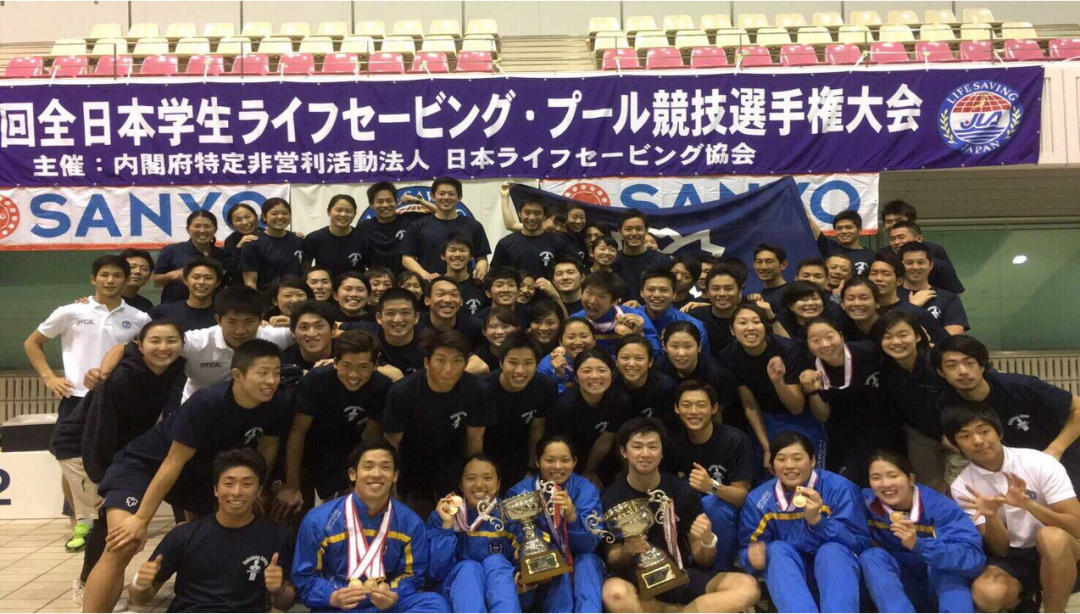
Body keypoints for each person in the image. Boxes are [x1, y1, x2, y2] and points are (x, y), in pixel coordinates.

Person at [81, 340, 291, 613]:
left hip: (195, 475)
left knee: (211, 536)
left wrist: (258, 490)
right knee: (124, 542)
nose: (271, 380)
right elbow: (172, 461)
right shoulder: (207, 402)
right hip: (144, 466)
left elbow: (268, 447)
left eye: (276, 373)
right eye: (263, 373)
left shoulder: (276, 403)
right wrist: (141, 520)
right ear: (237, 375)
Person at [49, 319, 187, 606]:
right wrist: (103, 479)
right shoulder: (123, 377)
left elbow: (172, 412)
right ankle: (88, 585)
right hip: (82, 446)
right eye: (155, 341)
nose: (163, 348)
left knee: (110, 521)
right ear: (140, 346)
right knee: (105, 522)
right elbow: (99, 429)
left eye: (171, 341)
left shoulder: (175, 368)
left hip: (120, 449)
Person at [24, 255, 151, 552]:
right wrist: (48, 377)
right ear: (93, 279)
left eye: (117, 275)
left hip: (120, 402)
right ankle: (79, 522)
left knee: (117, 459)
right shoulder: (70, 311)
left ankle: (113, 517)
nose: (110, 280)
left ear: (126, 279)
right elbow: (33, 342)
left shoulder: (139, 317)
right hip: (77, 398)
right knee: (71, 462)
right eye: (104, 275)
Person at [602, 418, 761, 614]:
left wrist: (707, 540)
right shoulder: (610, 497)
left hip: (680, 573)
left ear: (662, 453)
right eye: (637, 447)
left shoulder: (681, 491)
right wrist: (627, 550)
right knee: (614, 594)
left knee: (747, 587)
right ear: (624, 452)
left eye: (653, 447)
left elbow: (704, 560)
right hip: (635, 580)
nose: (645, 454)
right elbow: (613, 558)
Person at [945, 401, 1080, 614]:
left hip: (1063, 551)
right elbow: (1000, 549)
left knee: (1051, 537)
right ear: (956, 444)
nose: (978, 441)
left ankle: (1055, 611)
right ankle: (1025, 604)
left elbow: (1076, 527)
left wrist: (1028, 504)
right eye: (965, 436)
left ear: (998, 433)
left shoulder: (1039, 462)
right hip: (1014, 556)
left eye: (984, 431)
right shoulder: (962, 486)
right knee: (986, 594)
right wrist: (991, 516)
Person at [129, 449, 296, 612]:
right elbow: (140, 598)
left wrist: (279, 590)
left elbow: (285, 604)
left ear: (258, 490)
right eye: (229, 484)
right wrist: (141, 584)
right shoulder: (183, 535)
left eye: (247, 484)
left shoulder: (278, 536)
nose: (237, 492)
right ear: (216, 489)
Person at [292, 441, 450, 613]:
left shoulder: (410, 522)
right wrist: (333, 596)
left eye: (385, 467)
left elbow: (413, 575)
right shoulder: (319, 520)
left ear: (395, 476)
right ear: (353, 474)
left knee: (434, 604)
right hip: (339, 606)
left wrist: (394, 594)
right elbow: (305, 577)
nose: (376, 474)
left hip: (385, 605)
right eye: (368, 467)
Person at [738, 431, 870, 613]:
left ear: (813, 461)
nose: (789, 466)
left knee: (831, 551)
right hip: (793, 586)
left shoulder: (840, 488)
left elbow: (861, 544)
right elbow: (748, 550)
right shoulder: (759, 499)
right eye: (781, 459)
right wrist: (753, 558)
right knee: (775, 549)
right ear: (772, 465)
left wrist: (818, 521)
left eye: (797, 458)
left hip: (841, 581)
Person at [273, 330, 392, 520]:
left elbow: (370, 439)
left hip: (346, 449)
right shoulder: (315, 381)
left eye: (363, 367)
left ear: (375, 366)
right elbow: (297, 433)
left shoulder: (382, 386)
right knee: (291, 506)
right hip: (307, 448)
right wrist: (292, 485)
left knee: (347, 510)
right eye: (346, 365)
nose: (354, 374)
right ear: (335, 362)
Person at [935, 335, 1080, 486]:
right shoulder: (947, 402)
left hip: (1061, 452)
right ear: (941, 372)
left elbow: (1078, 407)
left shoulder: (1020, 386)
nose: (963, 371)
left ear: (982, 366)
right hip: (1011, 466)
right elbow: (951, 438)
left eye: (969, 363)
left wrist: (1054, 450)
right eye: (952, 365)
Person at [860, 450, 985, 614]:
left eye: (893, 476)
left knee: (944, 566)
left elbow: (973, 559)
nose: (885, 484)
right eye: (876, 478)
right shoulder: (865, 502)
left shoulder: (940, 507)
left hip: (940, 586)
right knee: (872, 557)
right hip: (904, 587)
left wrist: (919, 545)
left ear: (910, 479)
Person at [383, 330, 492, 516]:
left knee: (455, 521)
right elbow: (392, 443)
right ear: (427, 362)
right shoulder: (402, 392)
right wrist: (391, 484)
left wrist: (473, 479)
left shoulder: (477, 390)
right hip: (412, 464)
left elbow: (475, 440)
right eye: (441, 360)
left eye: (457, 361)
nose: (448, 369)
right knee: (416, 520)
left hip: (453, 463)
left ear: (466, 363)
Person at [506, 435, 605, 613]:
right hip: (540, 569)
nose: (558, 466)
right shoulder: (520, 492)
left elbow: (590, 544)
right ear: (537, 462)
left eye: (565, 460)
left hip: (580, 560)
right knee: (553, 564)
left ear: (574, 462)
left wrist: (572, 516)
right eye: (550, 460)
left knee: (587, 561)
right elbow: (515, 539)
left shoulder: (586, 490)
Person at [717, 303, 822, 471]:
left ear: (766, 327)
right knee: (768, 468)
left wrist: (778, 381)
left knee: (803, 469)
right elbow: (749, 403)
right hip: (765, 420)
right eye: (743, 323)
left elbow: (796, 407)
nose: (750, 328)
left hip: (799, 419)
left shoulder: (786, 349)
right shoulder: (729, 355)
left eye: (756, 322)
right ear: (732, 330)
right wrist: (766, 448)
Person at [663, 381, 753, 572]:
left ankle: (720, 572)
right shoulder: (673, 444)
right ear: (676, 408)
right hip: (689, 513)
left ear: (713, 408)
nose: (693, 411)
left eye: (701, 405)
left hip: (728, 514)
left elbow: (742, 497)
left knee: (711, 504)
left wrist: (711, 486)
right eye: (686, 405)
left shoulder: (734, 440)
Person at [872, 311, 960, 492]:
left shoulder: (936, 363)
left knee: (961, 489)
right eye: (887, 337)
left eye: (903, 335)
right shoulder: (885, 367)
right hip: (921, 435)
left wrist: (954, 434)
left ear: (918, 336)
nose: (896, 342)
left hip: (956, 433)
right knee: (928, 490)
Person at [799, 317, 889, 486]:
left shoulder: (868, 351)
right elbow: (822, 416)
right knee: (846, 481)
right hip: (843, 434)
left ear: (841, 335)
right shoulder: (811, 367)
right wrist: (812, 391)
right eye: (816, 340)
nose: (825, 345)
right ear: (808, 344)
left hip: (883, 427)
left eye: (830, 337)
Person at [427, 455, 518, 613]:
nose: (479, 485)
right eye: (471, 478)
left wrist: (521, 574)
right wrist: (447, 526)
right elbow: (435, 571)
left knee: (496, 562)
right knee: (468, 567)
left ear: (498, 484)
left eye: (487, 478)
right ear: (461, 485)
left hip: (503, 590)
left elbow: (527, 552)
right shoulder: (443, 515)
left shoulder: (511, 513)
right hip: (456, 592)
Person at [547, 348, 632, 486]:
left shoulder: (621, 400)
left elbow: (606, 440)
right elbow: (561, 446)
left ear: (612, 373)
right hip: (569, 459)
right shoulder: (564, 405)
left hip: (603, 458)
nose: (595, 376)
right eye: (586, 371)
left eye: (602, 370)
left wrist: (589, 471)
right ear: (576, 377)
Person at [481, 332, 555, 489]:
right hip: (487, 451)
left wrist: (532, 467)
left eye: (528, 363)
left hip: (520, 450)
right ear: (501, 363)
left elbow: (537, 427)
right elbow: (474, 437)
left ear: (537, 364)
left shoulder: (545, 386)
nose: (520, 370)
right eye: (513, 362)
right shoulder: (483, 389)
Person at [400, 177, 491, 281]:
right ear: (432, 196)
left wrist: (481, 269)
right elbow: (407, 258)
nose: (446, 197)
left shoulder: (473, 226)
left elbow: (481, 258)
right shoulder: (418, 225)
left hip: (464, 286)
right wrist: (425, 275)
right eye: (442, 193)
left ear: (459, 197)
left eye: (451, 194)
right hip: (429, 286)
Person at [655, 322, 735, 424]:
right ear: (664, 346)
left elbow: (717, 415)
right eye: (674, 346)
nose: (681, 353)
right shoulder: (658, 368)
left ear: (699, 346)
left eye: (688, 346)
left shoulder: (717, 374)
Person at [493, 188, 575, 279]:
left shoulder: (558, 243)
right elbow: (495, 275)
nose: (532, 217)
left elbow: (571, 271)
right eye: (527, 213)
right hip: (516, 293)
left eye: (537, 213)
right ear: (519, 214)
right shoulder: (505, 243)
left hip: (548, 293)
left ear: (544, 216)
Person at [869, 252, 949, 344]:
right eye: (874, 273)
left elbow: (947, 345)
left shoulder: (917, 314)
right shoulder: (864, 311)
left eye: (886, 274)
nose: (878, 278)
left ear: (899, 281)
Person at [357, 181, 433, 275]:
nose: (385, 205)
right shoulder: (364, 227)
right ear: (371, 204)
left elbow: (442, 213)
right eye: (380, 201)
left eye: (389, 200)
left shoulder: (410, 220)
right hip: (378, 281)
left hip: (406, 280)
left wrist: (418, 200)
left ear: (396, 202)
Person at [575, 271, 660, 356]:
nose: (592, 301)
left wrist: (639, 335)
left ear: (614, 301)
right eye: (589, 293)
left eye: (601, 296)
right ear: (581, 293)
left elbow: (657, 354)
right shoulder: (575, 321)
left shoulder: (635, 317)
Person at [153, 211, 225, 303]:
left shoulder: (222, 254)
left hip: (212, 310)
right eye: (197, 226)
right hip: (174, 308)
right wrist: (172, 276)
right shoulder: (171, 251)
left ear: (215, 229)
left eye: (207, 226)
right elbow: (156, 281)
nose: (202, 230)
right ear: (188, 229)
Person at [898, 242, 970, 335]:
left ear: (930, 265)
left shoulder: (948, 298)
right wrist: (912, 307)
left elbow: (952, 338)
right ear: (900, 266)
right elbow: (886, 331)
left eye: (921, 262)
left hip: (936, 350)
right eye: (909, 263)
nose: (915, 267)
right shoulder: (891, 296)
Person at [639, 268, 711, 356]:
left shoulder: (695, 326)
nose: (657, 295)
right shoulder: (630, 317)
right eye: (651, 289)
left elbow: (703, 361)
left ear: (674, 294)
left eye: (664, 290)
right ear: (641, 292)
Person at [884, 221, 965, 294]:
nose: (896, 242)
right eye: (892, 239)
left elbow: (953, 295)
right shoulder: (889, 265)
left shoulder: (940, 266)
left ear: (919, 238)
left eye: (901, 237)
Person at [615, 334, 679, 428]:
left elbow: (669, 428)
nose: (632, 364)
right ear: (616, 361)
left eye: (639, 358)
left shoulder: (665, 388)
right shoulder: (609, 385)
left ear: (650, 362)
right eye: (625, 358)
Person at [241, 198, 304, 291]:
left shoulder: (299, 241)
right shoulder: (252, 245)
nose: (280, 217)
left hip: (296, 298)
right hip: (266, 300)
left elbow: (304, 272)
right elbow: (250, 283)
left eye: (285, 213)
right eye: (274, 213)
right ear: (264, 217)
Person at [301, 194, 370, 279]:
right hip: (325, 288)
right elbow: (305, 270)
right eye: (339, 210)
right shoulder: (314, 238)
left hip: (353, 289)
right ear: (329, 212)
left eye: (348, 211)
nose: (343, 214)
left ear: (355, 214)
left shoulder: (363, 238)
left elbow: (371, 268)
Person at [612, 209, 671, 304]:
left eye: (639, 229)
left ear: (646, 231)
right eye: (628, 229)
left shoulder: (662, 261)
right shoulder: (613, 261)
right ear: (620, 232)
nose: (634, 233)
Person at [149, 257, 222, 332]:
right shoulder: (162, 312)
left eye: (208, 278)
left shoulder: (224, 314)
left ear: (217, 283)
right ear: (185, 280)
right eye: (196, 277)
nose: (201, 282)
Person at [688, 263, 744, 355]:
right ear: (707, 292)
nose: (722, 293)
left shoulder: (749, 319)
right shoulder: (693, 318)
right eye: (716, 288)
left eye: (728, 288)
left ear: (739, 291)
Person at [419, 277, 484, 351]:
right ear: (427, 300)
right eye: (440, 294)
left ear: (461, 301)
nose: (448, 300)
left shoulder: (474, 327)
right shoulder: (415, 326)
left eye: (454, 295)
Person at [880, 199, 953, 264]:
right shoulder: (882, 254)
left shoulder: (934, 250)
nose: (894, 225)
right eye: (888, 221)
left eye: (898, 220)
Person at [536, 316, 596, 392]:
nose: (578, 342)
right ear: (560, 341)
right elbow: (543, 393)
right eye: (571, 337)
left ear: (594, 340)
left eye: (584, 336)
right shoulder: (547, 364)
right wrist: (559, 375)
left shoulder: (604, 361)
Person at [808, 210, 876, 277]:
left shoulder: (871, 255)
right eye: (839, 228)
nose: (844, 231)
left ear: (859, 229)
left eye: (849, 227)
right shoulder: (829, 247)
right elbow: (809, 220)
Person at [779, 280, 842, 347]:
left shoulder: (836, 321)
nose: (810, 303)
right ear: (790, 306)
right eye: (803, 299)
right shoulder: (782, 326)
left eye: (815, 298)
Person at [281, 300, 336, 373]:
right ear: (293, 331)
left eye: (319, 326)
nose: (311, 333)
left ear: (333, 329)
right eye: (304, 327)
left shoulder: (347, 356)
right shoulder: (282, 364)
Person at [440, 234, 489, 316]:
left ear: (471, 257)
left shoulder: (481, 286)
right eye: (452, 250)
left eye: (463, 250)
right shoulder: (435, 285)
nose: (457, 254)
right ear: (443, 256)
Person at [222, 203, 262, 287]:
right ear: (232, 224)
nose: (244, 222)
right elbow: (229, 271)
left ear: (256, 217)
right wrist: (239, 247)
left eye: (248, 217)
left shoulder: (266, 234)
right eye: (238, 220)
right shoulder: (231, 240)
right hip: (241, 291)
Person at [838, 276, 881, 343]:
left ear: (877, 302)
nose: (857, 303)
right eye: (850, 299)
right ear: (842, 304)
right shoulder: (839, 327)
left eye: (864, 298)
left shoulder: (890, 327)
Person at [475, 306, 518, 372]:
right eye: (493, 326)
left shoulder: (525, 352)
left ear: (516, 329)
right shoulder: (479, 356)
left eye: (505, 326)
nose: (499, 332)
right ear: (484, 331)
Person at [753, 243, 789, 316]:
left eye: (769, 261)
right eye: (759, 262)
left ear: (783, 265)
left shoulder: (794, 293)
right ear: (754, 265)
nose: (763, 267)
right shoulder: (756, 298)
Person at [119, 248, 155, 313]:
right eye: (132, 267)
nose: (138, 271)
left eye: (144, 269)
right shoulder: (106, 300)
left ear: (149, 276)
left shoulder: (146, 305)